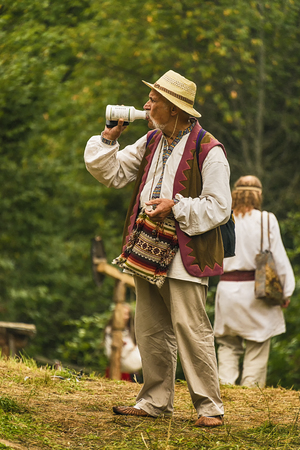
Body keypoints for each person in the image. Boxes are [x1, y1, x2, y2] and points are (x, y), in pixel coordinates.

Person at [84, 70, 231, 427]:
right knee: (149, 327)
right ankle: (154, 401)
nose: (147, 105)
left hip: (186, 251)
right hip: (148, 248)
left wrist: (176, 206)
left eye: (155, 101)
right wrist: (108, 139)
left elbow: (219, 206)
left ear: (175, 109)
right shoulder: (151, 140)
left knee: (190, 326)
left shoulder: (209, 150)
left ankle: (209, 407)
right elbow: (114, 174)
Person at [213, 175, 295, 388]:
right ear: (259, 195)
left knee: (228, 344)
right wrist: (285, 291)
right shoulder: (266, 219)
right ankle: (250, 390)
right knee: (258, 343)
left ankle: (225, 387)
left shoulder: (223, 217)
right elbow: (277, 258)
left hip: (227, 289)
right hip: (257, 289)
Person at [104, 303, 142, 381]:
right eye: (123, 314)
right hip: (118, 368)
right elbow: (109, 353)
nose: (125, 317)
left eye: (127, 314)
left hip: (132, 371)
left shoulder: (131, 330)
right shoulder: (110, 331)